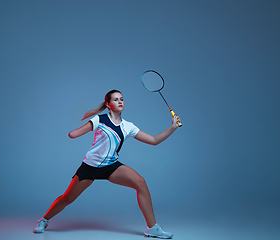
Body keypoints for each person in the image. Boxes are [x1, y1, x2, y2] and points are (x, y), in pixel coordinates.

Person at [34, 89, 181, 238]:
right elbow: (73, 134)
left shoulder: (128, 126)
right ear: (108, 104)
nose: (120, 102)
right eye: (116, 99)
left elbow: (154, 140)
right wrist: (77, 130)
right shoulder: (100, 120)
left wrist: (173, 127)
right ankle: (44, 220)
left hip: (111, 166)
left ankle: (152, 228)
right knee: (67, 198)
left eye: (122, 99)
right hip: (90, 167)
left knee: (140, 182)